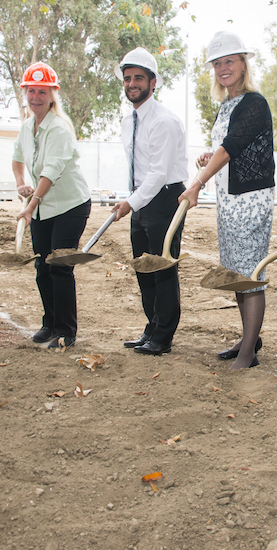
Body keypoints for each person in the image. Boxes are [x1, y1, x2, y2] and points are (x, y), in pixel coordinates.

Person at [179, 32, 275, 370]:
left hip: (250, 201)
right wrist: (211, 157)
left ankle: (249, 352)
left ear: (243, 64)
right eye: (217, 63)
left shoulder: (254, 102)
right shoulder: (227, 104)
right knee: (237, 273)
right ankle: (250, 337)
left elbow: (233, 145)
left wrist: (197, 183)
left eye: (229, 61)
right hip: (229, 200)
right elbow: (229, 147)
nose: (223, 68)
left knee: (250, 276)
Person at [112, 48, 188, 356]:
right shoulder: (128, 120)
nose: (132, 84)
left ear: (153, 82)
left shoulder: (164, 121)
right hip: (142, 199)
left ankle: (163, 336)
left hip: (165, 198)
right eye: (128, 78)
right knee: (144, 268)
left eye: (138, 78)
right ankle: (152, 326)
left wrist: (131, 202)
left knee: (162, 268)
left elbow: (158, 173)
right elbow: (139, 169)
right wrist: (132, 200)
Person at [11, 62, 91, 349]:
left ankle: (66, 329)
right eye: (31, 91)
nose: (35, 97)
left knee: (59, 265)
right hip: (43, 206)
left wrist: (30, 206)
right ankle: (49, 323)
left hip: (70, 206)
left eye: (42, 92)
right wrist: (22, 183)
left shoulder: (58, 129)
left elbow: (50, 172)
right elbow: (17, 160)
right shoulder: (26, 127)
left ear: (52, 95)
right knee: (42, 267)